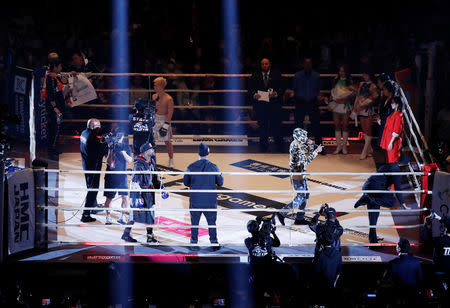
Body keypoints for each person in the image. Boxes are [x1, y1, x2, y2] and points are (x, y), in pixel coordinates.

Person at [275, 128, 323, 225]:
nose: (306, 138)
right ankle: (282, 212)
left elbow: (306, 148)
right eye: (304, 137)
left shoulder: (296, 143)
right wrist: (316, 151)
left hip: (301, 173)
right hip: (297, 174)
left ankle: (299, 218)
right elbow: (306, 161)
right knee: (301, 196)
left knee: (306, 195)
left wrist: (311, 144)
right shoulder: (296, 147)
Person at [354, 163, 408, 243]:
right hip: (376, 190)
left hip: (368, 187)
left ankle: (373, 241)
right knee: (392, 202)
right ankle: (368, 199)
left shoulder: (387, 166)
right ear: (403, 165)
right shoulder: (397, 171)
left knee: (373, 216)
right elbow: (398, 189)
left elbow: (382, 180)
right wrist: (403, 204)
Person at [183, 143, 224, 250]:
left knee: (194, 222)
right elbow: (220, 182)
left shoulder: (190, 167)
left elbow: (186, 182)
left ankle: (194, 243)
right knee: (211, 222)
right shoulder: (214, 167)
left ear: (198, 154)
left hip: (195, 200)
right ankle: (214, 243)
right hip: (210, 201)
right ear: (208, 153)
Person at [121, 142, 159, 243]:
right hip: (140, 193)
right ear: (146, 152)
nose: (153, 150)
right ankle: (126, 234)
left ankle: (149, 236)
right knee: (134, 215)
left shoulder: (150, 161)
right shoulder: (139, 165)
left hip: (148, 193)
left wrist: (161, 187)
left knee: (149, 214)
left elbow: (154, 177)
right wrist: (138, 198)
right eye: (152, 149)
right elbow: (135, 183)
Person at [248, 58, 284, 152]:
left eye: (266, 64)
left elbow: (282, 87)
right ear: (261, 65)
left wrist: (275, 93)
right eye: (263, 64)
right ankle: (263, 147)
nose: (265, 65)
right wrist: (254, 94)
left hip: (274, 104)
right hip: (261, 105)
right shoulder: (255, 74)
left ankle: (279, 146)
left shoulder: (276, 73)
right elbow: (250, 88)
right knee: (262, 126)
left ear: (270, 64)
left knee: (275, 126)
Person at [291, 57, 326, 154]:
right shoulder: (297, 75)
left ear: (311, 65)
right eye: (306, 64)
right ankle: (296, 147)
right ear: (303, 64)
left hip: (312, 101)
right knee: (298, 126)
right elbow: (294, 89)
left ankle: (319, 148)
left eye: (309, 64)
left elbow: (319, 89)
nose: (307, 65)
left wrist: (319, 97)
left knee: (316, 125)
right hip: (300, 101)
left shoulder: (316, 75)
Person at [79, 118, 107, 222]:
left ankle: (93, 205)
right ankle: (85, 214)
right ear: (93, 126)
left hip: (86, 164)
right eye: (97, 127)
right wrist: (104, 145)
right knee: (93, 189)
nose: (99, 129)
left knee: (90, 187)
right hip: (92, 167)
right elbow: (98, 154)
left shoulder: (83, 133)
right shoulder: (92, 137)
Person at [309, 204, 343, 287]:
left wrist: (319, 213)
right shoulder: (339, 229)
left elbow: (311, 224)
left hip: (320, 257)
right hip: (334, 258)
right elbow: (335, 223)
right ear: (335, 216)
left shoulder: (320, 227)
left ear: (325, 217)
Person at [104, 127, 133, 225]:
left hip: (122, 176)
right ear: (114, 135)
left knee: (125, 197)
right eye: (118, 135)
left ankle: (123, 217)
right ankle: (108, 217)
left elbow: (129, 160)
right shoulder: (109, 146)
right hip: (111, 176)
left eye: (121, 135)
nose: (119, 137)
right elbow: (108, 162)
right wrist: (111, 149)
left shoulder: (126, 147)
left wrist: (122, 151)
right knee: (109, 198)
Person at [40, 52, 67, 155]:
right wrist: (55, 107)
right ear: (55, 67)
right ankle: (51, 148)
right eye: (59, 66)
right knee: (54, 127)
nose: (61, 68)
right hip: (55, 108)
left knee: (56, 127)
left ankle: (53, 147)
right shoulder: (50, 78)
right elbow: (50, 94)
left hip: (57, 106)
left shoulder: (55, 77)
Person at [328, 65, 355, 154]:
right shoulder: (335, 80)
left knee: (345, 126)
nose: (341, 73)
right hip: (336, 104)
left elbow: (352, 94)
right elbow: (332, 91)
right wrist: (333, 99)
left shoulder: (349, 81)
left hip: (345, 105)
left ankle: (344, 147)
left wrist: (345, 98)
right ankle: (338, 147)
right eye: (340, 71)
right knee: (337, 125)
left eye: (343, 71)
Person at [352, 71, 378, 160]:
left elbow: (374, 99)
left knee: (368, 130)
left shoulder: (373, 86)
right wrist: (355, 107)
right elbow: (357, 96)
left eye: (367, 74)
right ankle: (369, 149)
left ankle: (364, 151)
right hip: (360, 108)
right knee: (364, 130)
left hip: (368, 109)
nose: (365, 76)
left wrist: (364, 105)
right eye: (364, 74)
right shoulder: (361, 84)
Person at [152, 77, 175, 167]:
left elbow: (170, 112)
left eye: (156, 85)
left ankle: (171, 159)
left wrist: (165, 125)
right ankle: (151, 159)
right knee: (151, 140)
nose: (154, 87)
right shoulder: (154, 96)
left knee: (167, 141)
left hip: (164, 120)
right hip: (155, 119)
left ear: (161, 86)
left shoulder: (169, 98)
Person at [421, 212, 450, 277]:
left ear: (445, 229)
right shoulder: (440, 240)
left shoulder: (440, 240)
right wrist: (439, 218)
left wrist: (425, 225)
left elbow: (425, 238)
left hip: (439, 272)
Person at [380, 96, 403, 164]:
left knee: (392, 159)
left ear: (397, 104)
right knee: (388, 158)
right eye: (391, 103)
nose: (391, 104)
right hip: (388, 138)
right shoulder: (393, 114)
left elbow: (397, 129)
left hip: (392, 140)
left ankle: (392, 173)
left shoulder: (399, 115)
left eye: (393, 103)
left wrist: (391, 142)